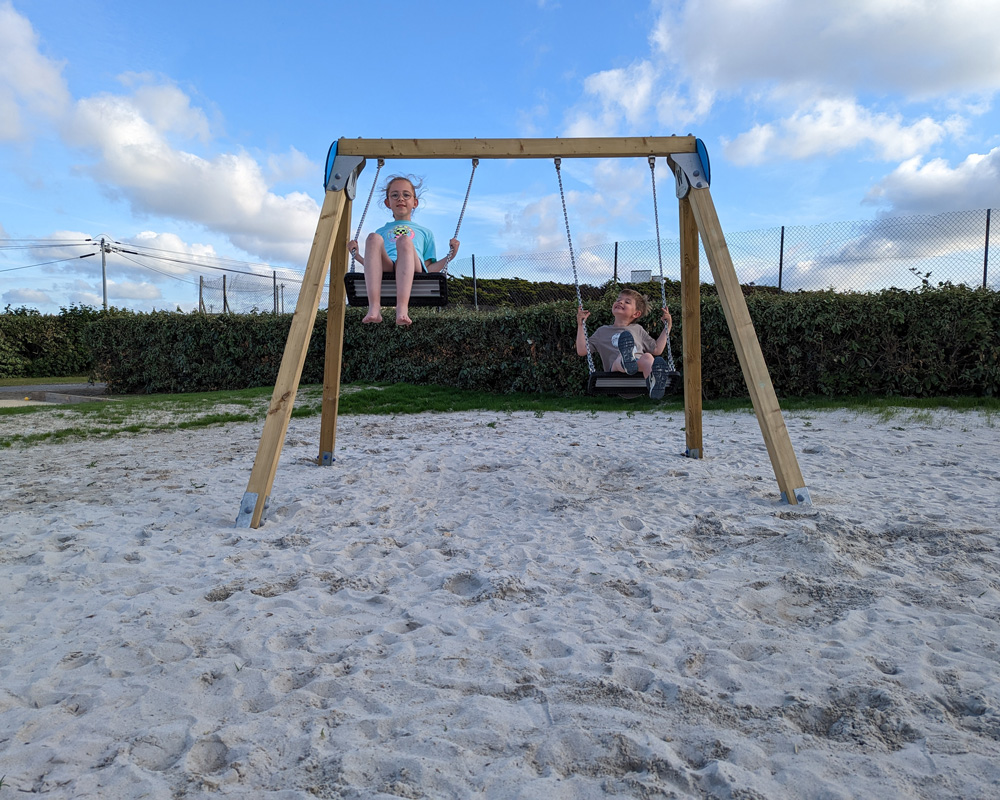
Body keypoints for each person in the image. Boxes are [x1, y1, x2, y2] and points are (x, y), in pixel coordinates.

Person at [348, 175, 460, 326]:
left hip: (413, 266)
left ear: (415, 202)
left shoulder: (425, 232)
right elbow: (373, 264)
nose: (400, 198)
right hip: (388, 265)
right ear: (388, 203)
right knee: (372, 238)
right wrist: (357, 256)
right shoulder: (382, 230)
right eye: (395, 195)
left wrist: (450, 256)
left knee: (404, 240)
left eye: (406, 195)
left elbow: (429, 268)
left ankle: (402, 307)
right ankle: (374, 307)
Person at [576, 288, 674, 399]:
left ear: (636, 314)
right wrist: (580, 325)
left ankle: (654, 383)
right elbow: (582, 350)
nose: (620, 302)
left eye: (627, 302)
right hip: (615, 375)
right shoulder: (602, 331)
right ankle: (626, 362)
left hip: (639, 378)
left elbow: (656, 349)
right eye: (618, 300)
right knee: (620, 358)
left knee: (648, 357)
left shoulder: (638, 329)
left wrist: (668, 327)